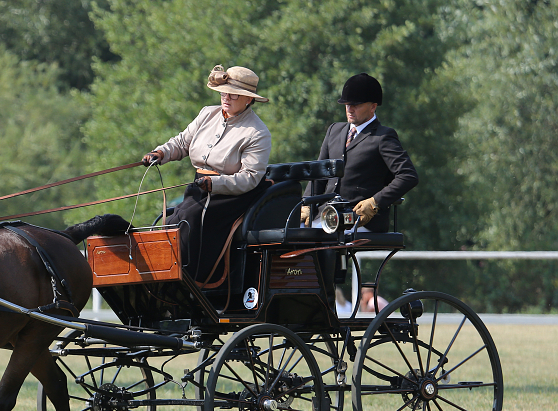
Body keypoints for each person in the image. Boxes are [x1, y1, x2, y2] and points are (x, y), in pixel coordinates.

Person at [142, 65, 272, 284]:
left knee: (189, 220)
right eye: (224, 92)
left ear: (248, 99)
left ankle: (192, 281)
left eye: (233, 94)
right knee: (169, 220)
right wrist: (161, 152)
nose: (226, 98)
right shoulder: (207, 113)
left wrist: (215, 184)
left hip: (232, 196)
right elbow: (183, 142)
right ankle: (162, 276)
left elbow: (249, 177)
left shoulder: (257, 133)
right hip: (199, 189)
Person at [302, 73, 418, 232]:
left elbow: (408, 176)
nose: (349, 109)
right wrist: (307, 204)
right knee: (288, 235)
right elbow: (320, 174)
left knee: (322, 241)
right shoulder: (334, 130)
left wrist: (374, 202)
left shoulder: (383, 136)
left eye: (356, 105)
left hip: (359, 220)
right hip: (325, 216)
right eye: (347, 104)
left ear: (373, 106)